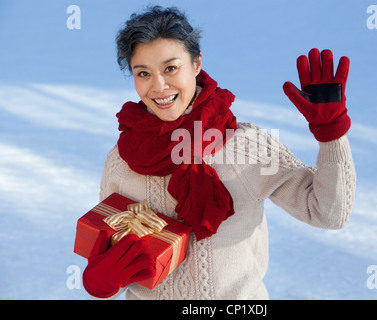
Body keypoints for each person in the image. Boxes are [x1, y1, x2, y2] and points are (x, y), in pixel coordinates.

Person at [82, 5, 356, 300]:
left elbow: (328, 214)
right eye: (143, 73)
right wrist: (101, 281)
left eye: (170, 68)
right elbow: (115, 251)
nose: (159, 86)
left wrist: (332, 134)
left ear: (197, 63)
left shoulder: (247, 147)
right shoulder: (123, 160)